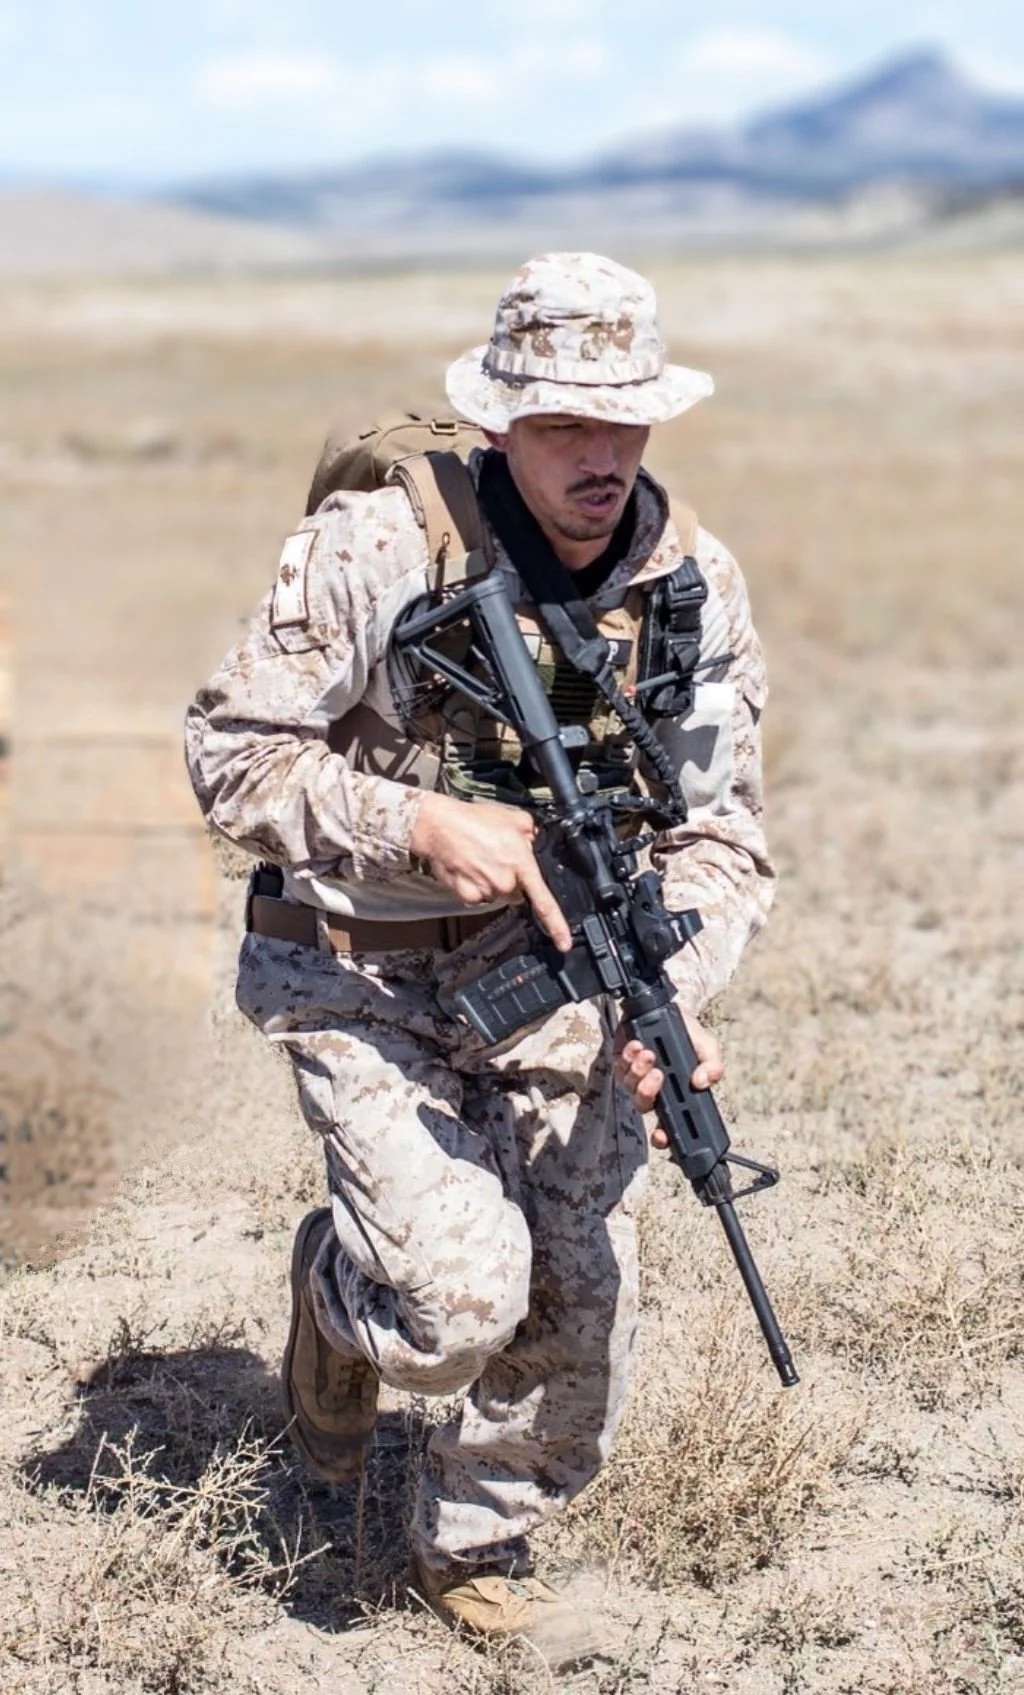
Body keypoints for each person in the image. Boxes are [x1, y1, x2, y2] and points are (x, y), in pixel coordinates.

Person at [185, 252, 774, 1640]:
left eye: (625, 422)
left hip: (561, 963)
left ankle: (472, 1536)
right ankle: (341, 1300)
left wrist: (668, 995)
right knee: (454, 1299)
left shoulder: (690, 586)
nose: (602, 457)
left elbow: (723, 836)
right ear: (503, 421)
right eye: (568, 424)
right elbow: (228, 753)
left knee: (579, 1285)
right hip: (356, 961)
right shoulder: (383, 544)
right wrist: (412, 822)